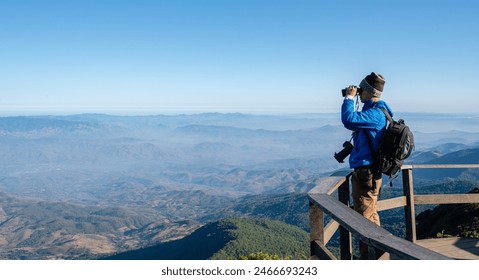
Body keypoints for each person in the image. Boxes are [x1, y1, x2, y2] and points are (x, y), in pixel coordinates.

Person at [341, 72, 393, 259]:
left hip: (366, 173)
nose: (359, 93)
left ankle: (368, 259)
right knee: (370, 215)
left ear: (369, 92)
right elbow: (356, 125)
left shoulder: (375, 114)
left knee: (363, 218)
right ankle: (377, 254)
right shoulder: (374, 112)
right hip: (369, 172)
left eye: (362, 90)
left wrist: (348, 98)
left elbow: (348, 120)